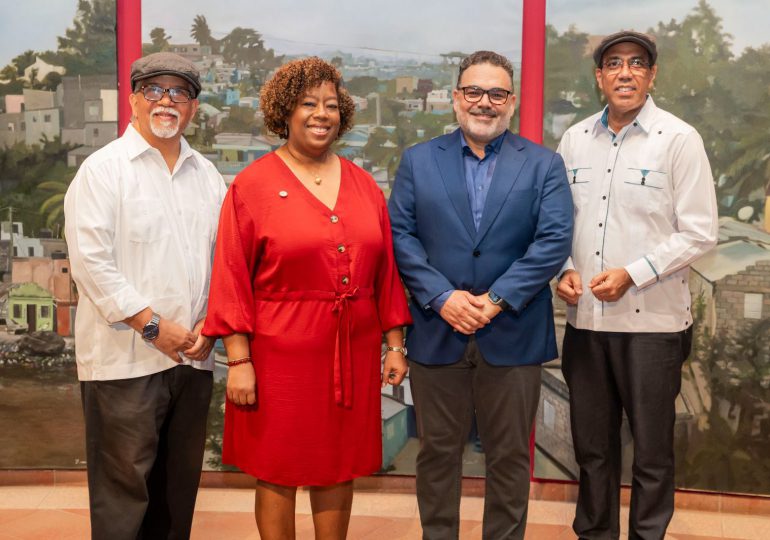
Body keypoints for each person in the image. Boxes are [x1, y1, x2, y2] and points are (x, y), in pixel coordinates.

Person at [202, 57, 412, 540]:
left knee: (339, 466)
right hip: (279, 355)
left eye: (331, 105)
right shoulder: (251, 186)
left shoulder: (364, 186)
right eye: (308, 104)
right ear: (284, 112)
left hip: (352, 352)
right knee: (277, 469)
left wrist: (395, 344)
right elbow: (231, 276)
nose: (322, 114)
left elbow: (386, 274)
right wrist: (238, 361)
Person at [389, 50, 574, 539]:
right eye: (474, 91)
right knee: (436, 455)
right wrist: (442, 297)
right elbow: (401, 236)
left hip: (513, 331)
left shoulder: (543, 165)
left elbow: (553, 240)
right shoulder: (418, 160)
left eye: (497, 94)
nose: (484, 103)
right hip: (436, 329)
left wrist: (495, 300)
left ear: (510, 102)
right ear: (455, 98)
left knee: (511, 455)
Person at [556, 31, 718, 539]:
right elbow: (557, 221)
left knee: (651, 454)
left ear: (652, 75)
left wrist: (633, 274)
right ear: (599, 76)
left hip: (654, 327)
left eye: (636, 63)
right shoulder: (574, 139)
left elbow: (700, 232)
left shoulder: (679, 139)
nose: (624, 72)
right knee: (592, 451)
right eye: (613, 64)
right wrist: (563, 267)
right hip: (586, 323)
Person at [64, 52, 227, 539]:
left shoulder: (209, 177)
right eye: (154, 90)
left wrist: (209, 327)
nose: (166, 101)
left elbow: (225, 260)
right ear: (133, 99)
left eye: (180, 92)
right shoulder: (103, 170)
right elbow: (92, 263)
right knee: (123, 500)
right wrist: (153, 325)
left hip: (193, 360)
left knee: (176, 499)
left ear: (193, 107)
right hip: (125, 362)